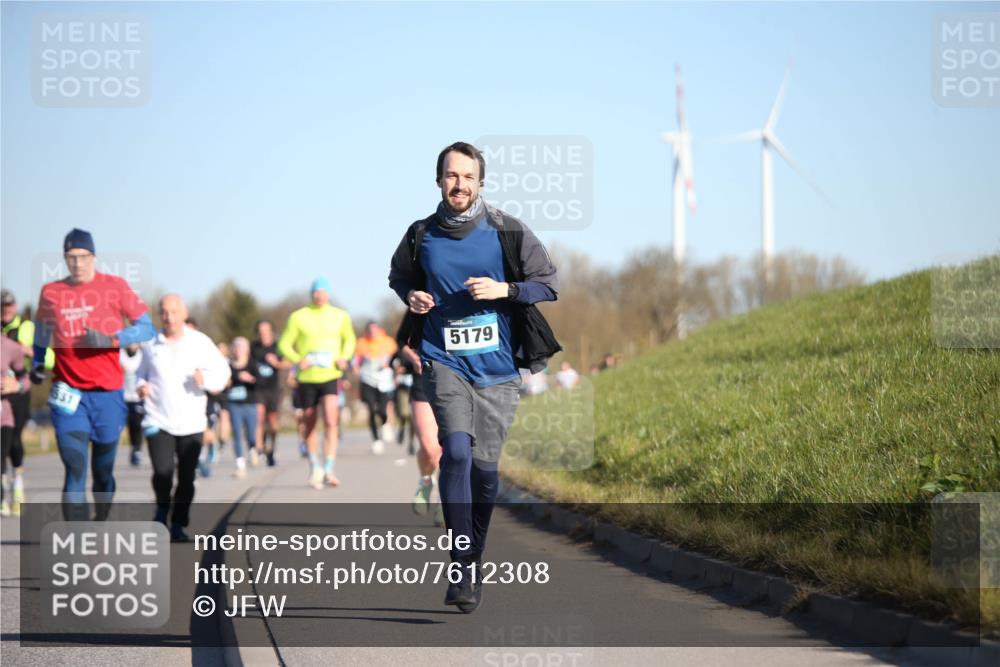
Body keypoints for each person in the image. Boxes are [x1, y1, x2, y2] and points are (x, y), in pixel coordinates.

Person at [388, 142, 560, 612]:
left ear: (481, 182)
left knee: (485, 473)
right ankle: (461, 565)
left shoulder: (507, 230)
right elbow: (399, 277)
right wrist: (411, 297)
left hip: (498, 368)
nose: (459, 184)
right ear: (438, 181)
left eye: (467, 176)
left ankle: (474, 556)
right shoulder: (421, 234)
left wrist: (505, 289)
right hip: (443, 359)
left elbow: (548, 283)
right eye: (451, 175)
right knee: (457, 453)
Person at [31, 229, 155, 520]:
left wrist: (112, 339)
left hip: (107, 393)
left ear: (94, 257)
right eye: (71, 257)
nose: (77, 263)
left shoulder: (115, 286)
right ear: (65, 259)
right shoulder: (51, 292)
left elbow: (147, 328)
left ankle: (101, 517)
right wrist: (38, 361)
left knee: (102, 471)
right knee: (75, 465)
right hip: (68, 391)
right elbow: (41, 331)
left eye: (83, 257)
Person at [135, 295, 230, 542]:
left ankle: (178, 523)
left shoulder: (200, 342)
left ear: (184, 313)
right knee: (163, 472)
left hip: (191, 422)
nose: (169, 317)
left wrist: (205, 380)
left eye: (175, 312)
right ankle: (161, 510)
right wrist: (141, 385)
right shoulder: (151, 344)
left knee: (187, 478)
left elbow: (223, 373)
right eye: (164, 312)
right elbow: (140, 373)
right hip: (158, 419)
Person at [278, 278, 356, 489]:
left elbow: (350, 339)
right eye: (316, 292)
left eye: (322, 292)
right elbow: (284, 344)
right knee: (309, 420)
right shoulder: (298, 316)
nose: (319, 295)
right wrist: (297, 360)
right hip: (307, 377)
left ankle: (329, 468)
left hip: (331, 374)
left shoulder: (340, 316)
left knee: (331, 418)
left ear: (328, 294)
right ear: (311, 294)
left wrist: (345, 357)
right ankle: (315, 466)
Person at [1, 289, 54, 511]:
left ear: (15, 306)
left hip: (20, 390)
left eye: (9, 306)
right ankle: (3, 486)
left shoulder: (27, 327)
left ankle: (17, 482)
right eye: (2, 306)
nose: (6, 310)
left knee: (14, 439)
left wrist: (28, 351)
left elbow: (50, 359)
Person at [395, 312, 444, 526]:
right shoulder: (422, 302)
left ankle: (445, 501)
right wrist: (413, 358)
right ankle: (425, 481)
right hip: (423, 379)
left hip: (460, 380)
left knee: (453, 448)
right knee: (430, 448)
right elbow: (401, 341)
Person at [354, 321, 398, 455]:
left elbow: (396, 358)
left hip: (384, 380)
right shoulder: (361, 343)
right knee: (371, 409)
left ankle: (385, 424)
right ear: (367, 331)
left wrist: (391, 366)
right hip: (367, 380)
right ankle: (376, 440)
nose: (372, 333)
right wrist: (355, 367)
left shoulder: (388, 342)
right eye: (370, 330)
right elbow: (356, 359)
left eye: (375, 330)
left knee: (382, 409)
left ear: (379, 330)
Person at [1, 335, 30, 516]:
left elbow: (26, 378)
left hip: (11, 402)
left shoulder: (10, 346)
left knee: (14, 443)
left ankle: (17, 483)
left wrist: (17, 386)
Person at [251, 320, 284, 467]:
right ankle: (259, 449)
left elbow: (288, 363)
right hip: (258, 388)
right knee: (258, 417)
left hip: (273, 389)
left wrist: (276, 363)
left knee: (272, 424)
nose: (263, 334)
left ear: (271, 332)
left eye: (266, 331)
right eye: (260, 331)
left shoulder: (278, 347)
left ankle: (271, 448)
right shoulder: (253, 347)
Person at [226, 337, 259, 478]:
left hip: (250, 404)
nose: (239, 350)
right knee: (237, 434)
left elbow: (262, 383)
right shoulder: (228, 366)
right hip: (234, 404)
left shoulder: (253, 365)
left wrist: (251, 379)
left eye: (242, 347)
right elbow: (224, 382)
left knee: (251, 434)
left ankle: (252, 449)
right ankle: (240, 465)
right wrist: (232, 379)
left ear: (247, 349)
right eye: (237, 347)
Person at [120, 343, 145, 466]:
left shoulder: (142, 356)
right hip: (123, 397)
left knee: (137, 424)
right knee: (127, 424)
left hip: (137, 398)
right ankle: (131, 446)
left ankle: (137, 449)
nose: (132, 345)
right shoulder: (120, 355)